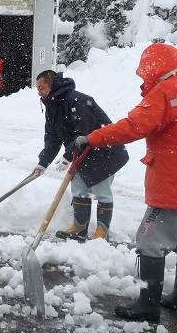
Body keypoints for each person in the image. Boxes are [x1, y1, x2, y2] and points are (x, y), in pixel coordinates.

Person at [74, 42, 177, 322]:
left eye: (144, 73)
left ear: (155, 67)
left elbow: (133, 126)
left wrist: (92, 138)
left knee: (149, 240)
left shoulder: (166, 93)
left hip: (172, 186)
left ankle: (148, 305)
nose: (143, 78)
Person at [34, 70, 129, 241]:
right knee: (78, 188)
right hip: (81, 153)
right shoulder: (52, 105)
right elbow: (52, 137)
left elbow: (85, 132)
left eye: (41, 88)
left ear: (52, 85)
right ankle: (79, 227)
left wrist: (67, 156)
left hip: (104, 151)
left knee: (101, 190)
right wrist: (43, 162)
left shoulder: (77, 100)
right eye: (37, 89)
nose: (39, 92)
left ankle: (101, 232)